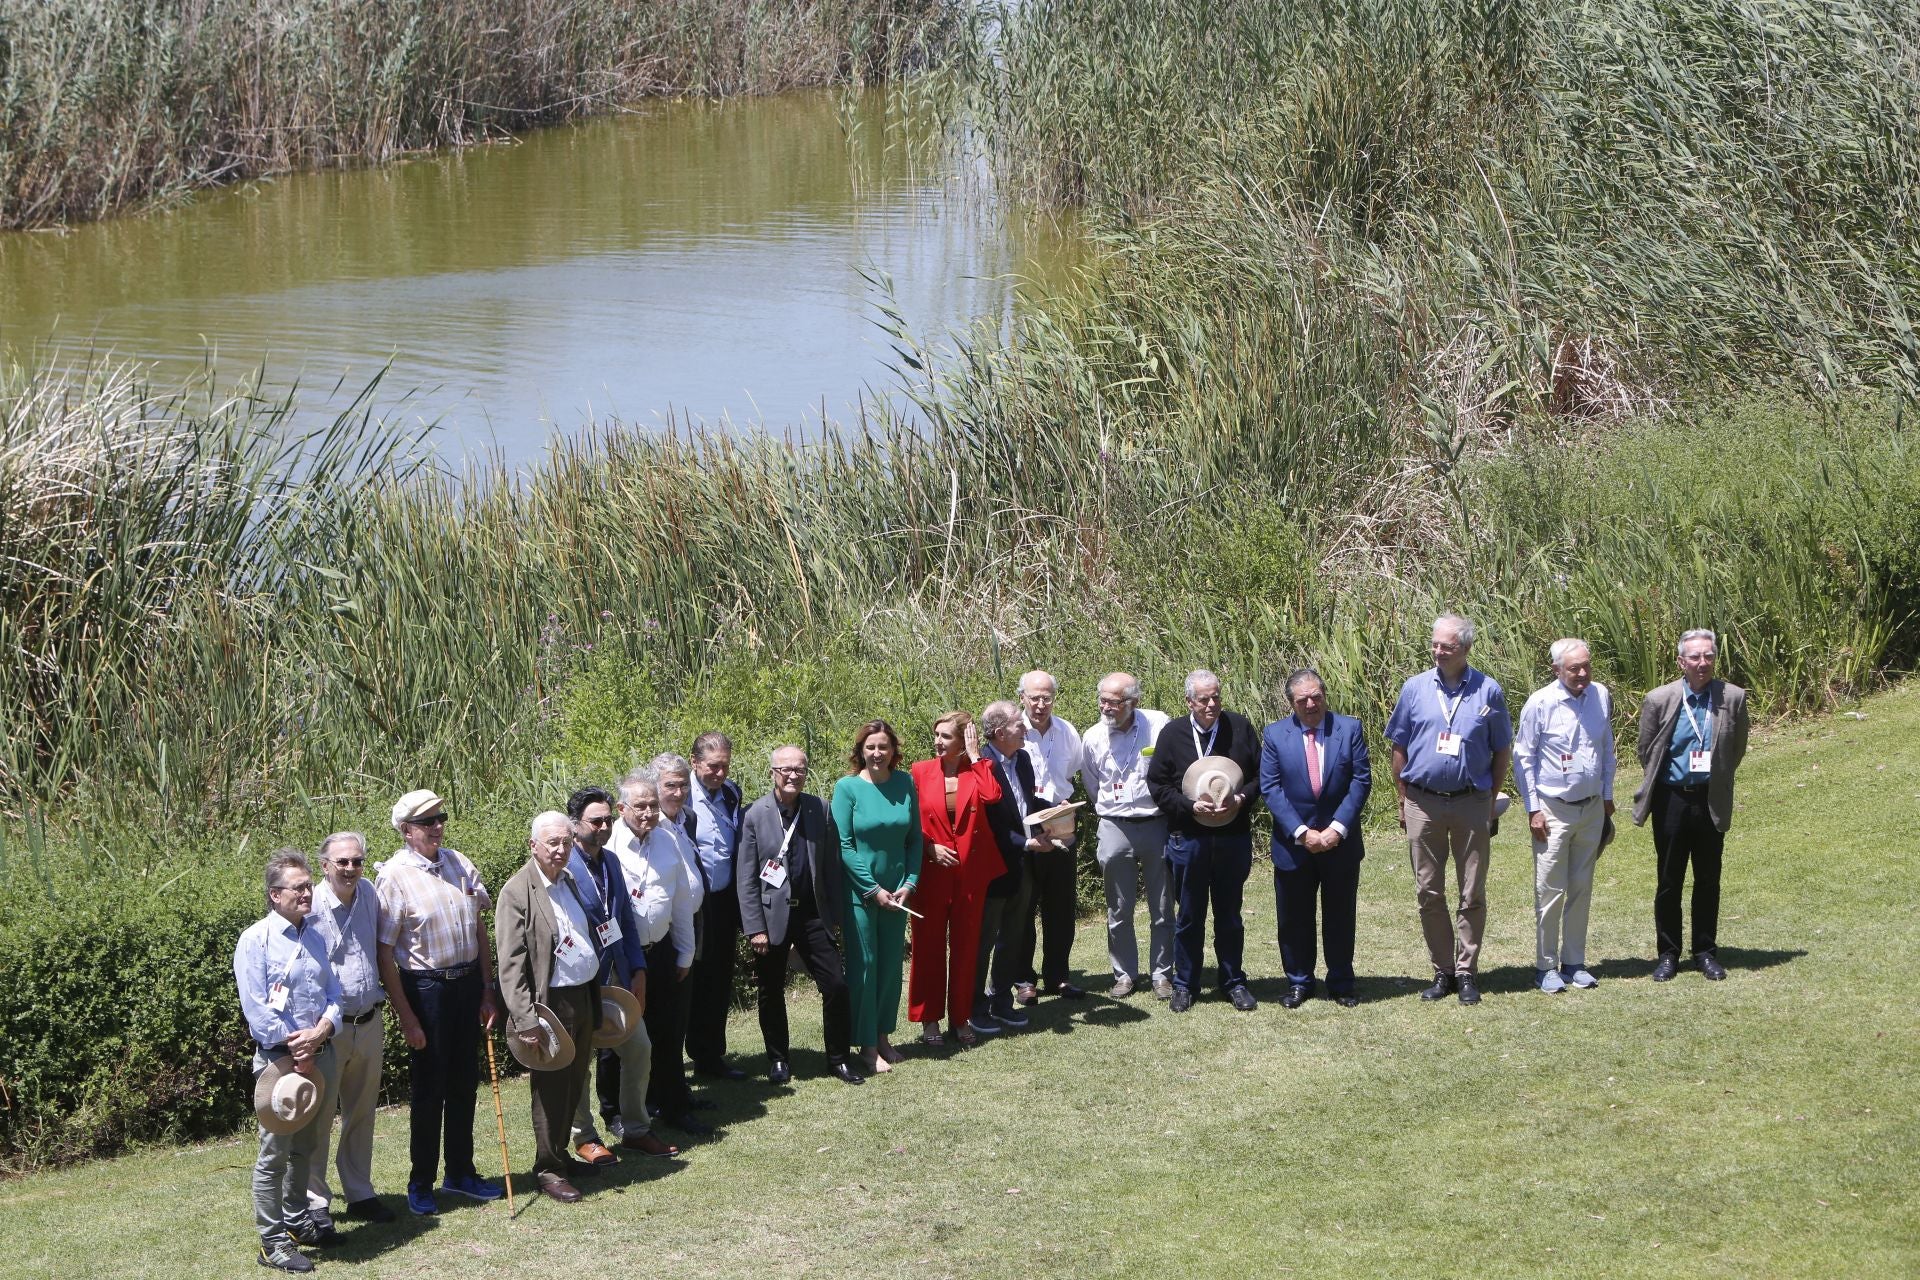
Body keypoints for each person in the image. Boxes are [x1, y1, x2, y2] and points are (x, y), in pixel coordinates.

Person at [375, 790, 504, 1215]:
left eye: (440, 818)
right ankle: (421, 1182)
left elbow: (480, 930)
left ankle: (461, 1174)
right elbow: (385, 954)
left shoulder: (459, 862)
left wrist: (487, 988)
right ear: (406, 831)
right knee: (430, 1090)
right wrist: (407, 1016)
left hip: (467, 983)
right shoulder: (393, 876)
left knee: (465, 1084)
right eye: (427, 822)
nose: (436, 827)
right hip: (425, 990)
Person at [1385, 614, 1513, 1006]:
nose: (1438, 651)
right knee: (1429, 891)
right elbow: (1399, 747)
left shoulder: (1488, 691)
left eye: (1447, 646)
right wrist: (1404, 797)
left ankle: (1467, 971)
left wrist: (1490, 800)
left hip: (1471, 801)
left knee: (1471, 891)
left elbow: (1501, 750)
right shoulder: (1415, 689)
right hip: (1422, 801)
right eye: (1435, 644)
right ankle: (1442, 970)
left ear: (1466, 649)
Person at [235, 848, 341, 1273]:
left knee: (308, 1146)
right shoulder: (255, 940)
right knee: (274, 1153)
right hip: (280, 1063)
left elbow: (335, 995)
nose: (307, 893)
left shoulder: (314, 934)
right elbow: (256, 1008)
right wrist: (293, 1042)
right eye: (298, 887)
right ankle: (272, 1241)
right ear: (274, 895)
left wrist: (321, 1031)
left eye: (308, 886)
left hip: (319, 1054)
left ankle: (298, 1221)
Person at [736, 745, 864, 1085]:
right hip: (770, 920)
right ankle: (778, 1060)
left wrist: (834, 916)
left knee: (836, 984)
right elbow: (746, 878)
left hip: (812, 915)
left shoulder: (818, 809)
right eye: (785, 769)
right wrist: (754, 928)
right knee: (770, 989)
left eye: (800, 769)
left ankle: (838, 1059)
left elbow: (832, 867)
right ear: (773, 773)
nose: (793, 775)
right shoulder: (755, 815)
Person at [1632, 628, 1751, 982]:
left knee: (1708, 880)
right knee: (1669, 880)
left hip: (1709, 799)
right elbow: (1646, 750)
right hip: (1671, 799)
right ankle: (1668, 954)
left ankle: (1705, 952)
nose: (1703, 663)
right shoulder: (1659, 698)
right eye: (1695, 657)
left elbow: (1737, 747)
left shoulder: (1732, 697)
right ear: (1682, 661)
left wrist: (1715, 776)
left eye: (1709, 656)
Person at [562, 787, 674, 1162]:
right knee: (579, 1062)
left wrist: (638, 969)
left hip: (616, 979)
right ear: (575, 825)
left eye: (608, 819)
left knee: (639, 1048)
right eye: (596, 821)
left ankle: (636, 1129)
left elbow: (623, 918)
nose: (605, 826)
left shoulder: (609, 861)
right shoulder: (563, 867)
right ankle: (585, 1137)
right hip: (579, 982)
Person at [496, 812, 601, 1204]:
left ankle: (562, 1156)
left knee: (576, 1080)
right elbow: (510, 964)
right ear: (533, 846)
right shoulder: (516, 891)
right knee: (552, 1088)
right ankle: (549, 1169)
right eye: (552, 843)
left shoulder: (569, 880)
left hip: (581, 995)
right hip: (550, 1005)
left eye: (566, 842)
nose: (560, 850)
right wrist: (526, 1019)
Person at [1145, 669, 1262, 1012]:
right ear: (1189, 702)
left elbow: (1261, 776)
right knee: (1190, 916)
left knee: (1230, 914)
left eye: (1216, 697)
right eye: (1204, 699)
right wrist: (1188, 805)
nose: (1211, 705)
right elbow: (1158, 785)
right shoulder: (1172, 734)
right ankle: (1185, 984)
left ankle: (1233, 982)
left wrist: (1241, 800)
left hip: (1232, 837)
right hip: (1189, 838)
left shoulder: (1239, 727)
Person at [1260, 669, 1373, 1008]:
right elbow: (1271, 787)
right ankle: (1298, 982)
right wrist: (1302, 832)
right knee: (1294, 918)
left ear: (1324, 695)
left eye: (1316, 696)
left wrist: (1337, 829)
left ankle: (1340, 982)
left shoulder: (1349, 729)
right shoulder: (1274, 735)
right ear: (1291, 703)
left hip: (1340, 843)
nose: (1311, 704)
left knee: (1339, 915)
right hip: (1293, 845)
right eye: (1302, 699)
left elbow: (1360, 781)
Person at [606, 770, 709, 1135]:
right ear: (621, 808)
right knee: (618, 1035)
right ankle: (615, 1112)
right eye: (640, 807)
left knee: (668, 1031)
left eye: (653, 805)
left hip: (662, 950)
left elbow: (681, 900)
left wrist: (685, 951)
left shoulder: (667, 840)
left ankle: (673, 1105)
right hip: (621, 957)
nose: (649, 813)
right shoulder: (609, 847)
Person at [1514, 639, 1617, 993]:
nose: (1583, 673)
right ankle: (1545, 967)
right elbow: (1523, 759)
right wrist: (1533, 809)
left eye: (1587, 666)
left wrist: (1606, 797)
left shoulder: (1600, 695)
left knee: (1581, 887)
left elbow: (1606, 748)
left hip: (1590, 808)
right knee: (1550, 889)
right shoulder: (1540, 703)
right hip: (1552, 810)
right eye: (1574, 668)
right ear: (1557, 669)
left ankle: (1574, 962)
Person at [304, 833, 394, 1230]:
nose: (350, 869)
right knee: (319, 1117)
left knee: (360, 1113)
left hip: (369, 1019)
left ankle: (359, 1192)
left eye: (357, 861)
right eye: (342, 862)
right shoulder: (310, 906)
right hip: (329, 1029)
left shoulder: (369, 894)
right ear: (324, 865)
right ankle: (315, 1201)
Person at [832, 719, 923, 1076]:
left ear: (893, 751)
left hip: (898, 892)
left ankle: (883, 1036)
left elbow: (915, 838)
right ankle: (867, 1047)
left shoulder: (905, 784)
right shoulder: (847, 788)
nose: (877, 753)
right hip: (862, 892)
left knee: (889, 968)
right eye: (870, 747)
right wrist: (871, 889)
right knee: (866, 967)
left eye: (883, 746)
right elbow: (843, 844)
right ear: (860, 751)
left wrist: (910, 882)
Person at [908, 710, 1005, 1045]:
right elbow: (908, 820)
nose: (937, 742)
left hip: (970, 875)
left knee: (965, 950)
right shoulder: (920, 771)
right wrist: (928, 848)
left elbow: (992, 797)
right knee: (928, 948)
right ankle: (929, 1021)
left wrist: (977, 757)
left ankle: (961, 1019)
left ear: (964, 739)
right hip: (932, 871)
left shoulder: (981, 769)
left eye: (945, 736)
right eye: (936, 735)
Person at [1082, 672, 1173, 998]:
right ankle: (1124, 975)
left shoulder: (1158, 724)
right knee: (1118, 908)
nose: (1105, 707)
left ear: (1133, 702)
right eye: (1102, 699)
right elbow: (1093, 784)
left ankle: (1162, 975)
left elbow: (1172, 768)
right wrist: (1112, 809)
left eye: (1113, 702)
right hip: (1114, 825)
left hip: (1155, 822)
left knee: (1162, 905)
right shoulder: (1092, 737)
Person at [1014, 670, 1087, 1002]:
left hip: (1060, 821)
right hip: (1025, 824)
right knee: (1023, 907)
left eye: (1047, 698)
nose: (1041, 704)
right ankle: (1023, 980)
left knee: (1060, 906)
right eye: (1034, 698)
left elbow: (1071, 770)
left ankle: (1057, 976)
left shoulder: (1067, 731)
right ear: (1022, 698)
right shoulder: (1014, 731)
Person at [686, 732, 747, 1081]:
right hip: (693, 901)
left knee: (719, 978)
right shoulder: (680, 796)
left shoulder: (731, 793)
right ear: (694, 762)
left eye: (725, 765)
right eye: (713, 766)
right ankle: (683, 1057)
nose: (720, 773)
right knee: (689, 976)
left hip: (724, 899)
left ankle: (711, 1056)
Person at [976, 701, 1041, 1030]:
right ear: (1000, 733)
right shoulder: (980, 765)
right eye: (1019, 723)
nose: (1026, 727)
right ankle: (975, 1008)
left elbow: (1027, 806)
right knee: (984, 940)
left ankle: (1001, 1000)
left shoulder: (1024, 759)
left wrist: (1049, 822)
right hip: (992, 867)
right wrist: (1026, 842)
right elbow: (991, 824)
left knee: (1013, 935)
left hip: (1023, 862)